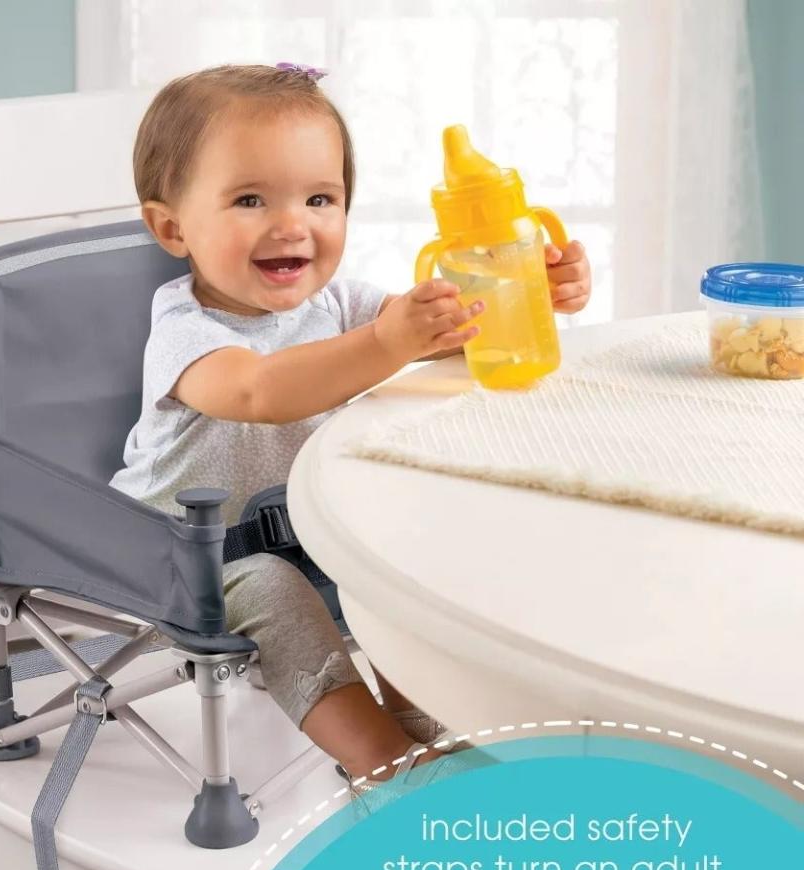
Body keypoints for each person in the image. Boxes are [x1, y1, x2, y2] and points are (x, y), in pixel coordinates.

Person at [109, 64, 592, 796]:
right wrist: (386, 344)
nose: (292, 224)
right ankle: (383, 762)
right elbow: (256, 390)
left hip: (309, 531)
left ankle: (429, 723)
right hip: (185, 553)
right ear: (172, 227)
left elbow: (447, 329)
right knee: (273, 592)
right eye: (249, 199)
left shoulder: (338, 304)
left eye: (319, 198)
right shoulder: (184, 329)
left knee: (398, 556)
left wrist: (530, 286)